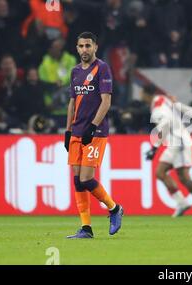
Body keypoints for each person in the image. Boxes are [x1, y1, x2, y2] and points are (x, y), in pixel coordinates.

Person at [64, 32, 123, 239]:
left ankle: (114, 208)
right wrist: (68, 130)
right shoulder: (74, 72)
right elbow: (72, 102)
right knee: (78, 181)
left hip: (95, 132)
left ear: (95, 47)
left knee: (87, 178)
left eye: (88, 46)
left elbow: (106, 101)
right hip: (76, 131)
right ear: (77, 48)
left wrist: (92, 126)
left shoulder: (102, 68)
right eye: (81, 46)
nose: (84, 50)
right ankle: (86, 228)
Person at [142, 84, 192, 218]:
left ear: (146, 94)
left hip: (178, 142)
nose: (141, 96)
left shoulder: (158, 107)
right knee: (164, 173)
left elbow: (166, 123)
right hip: (178, 140)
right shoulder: (162, 99)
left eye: (142, 94)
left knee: (181, 177)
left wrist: (154, 148)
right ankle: (184, 203)